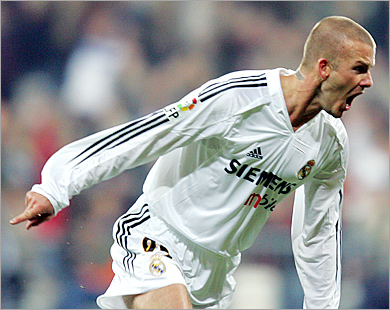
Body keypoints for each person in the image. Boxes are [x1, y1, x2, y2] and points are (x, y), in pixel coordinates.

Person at [10, 16, 376, 309]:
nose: (369, 81)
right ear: (325, 67)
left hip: (217, 274)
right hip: (158, 237)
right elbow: (145, 135)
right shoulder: (239, 98)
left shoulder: (330, 143)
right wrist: (57, 185)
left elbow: (319, 234)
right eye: (360, 69)